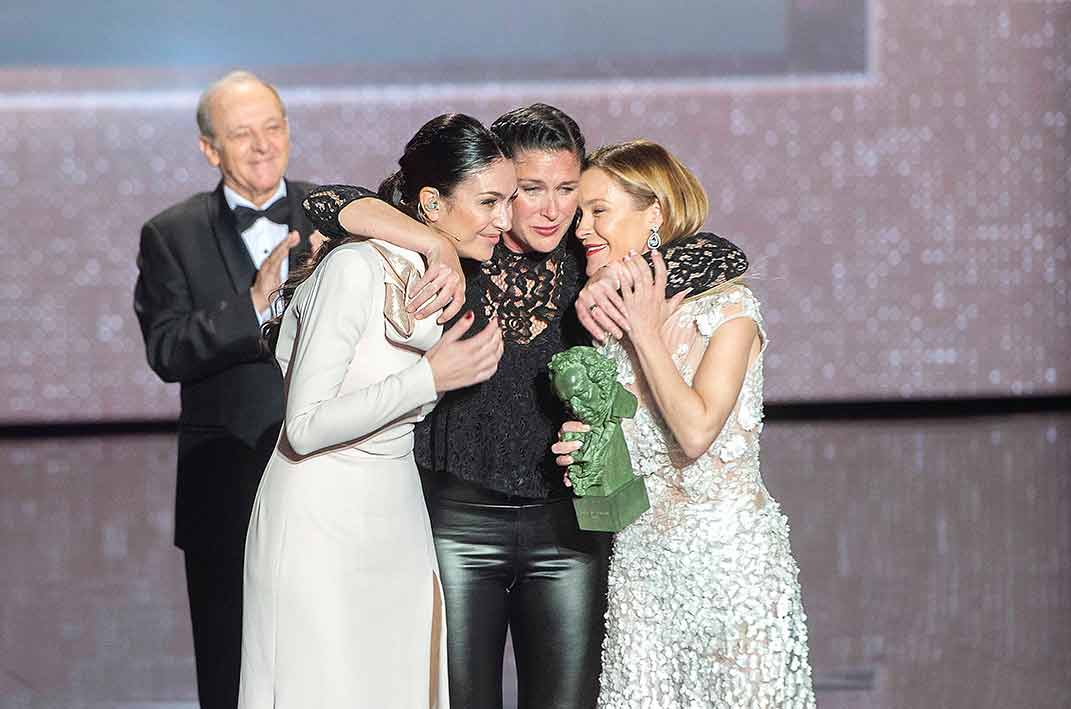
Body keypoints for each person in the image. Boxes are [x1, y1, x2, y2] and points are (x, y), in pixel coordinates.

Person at [336, 104, 750, 708]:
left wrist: (611, 286)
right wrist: (433, 244)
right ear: (501, 189)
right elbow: (328, 202)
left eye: (568, 190)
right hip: (456, 522)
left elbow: (723, 254)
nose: (554, 210)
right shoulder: (462, 247)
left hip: (569, 532)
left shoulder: (592, 259)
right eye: (530, 191)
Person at [133, 71, 464, 709]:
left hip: (337, 478)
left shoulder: (339, 216)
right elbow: (165, 350)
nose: (262, 146)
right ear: (210, 149)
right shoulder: (169, 233)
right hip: (228, 475)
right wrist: (252, 307)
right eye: (242, 134)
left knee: (339, 665)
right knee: (236, 668)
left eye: (273, 128)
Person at [238, 113, 512, 708]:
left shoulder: (442, 278)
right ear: (432, 204)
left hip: (395, 510)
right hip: (319, 517)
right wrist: (429, 376)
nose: (505, 220)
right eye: (490, 201)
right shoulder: (354, 267)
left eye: (509, 201)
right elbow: (305, 426)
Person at [552, 140, 815, 707]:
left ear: (656, 216)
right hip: (641, 574)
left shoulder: (730, 313)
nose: (582, 229)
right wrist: (590, 447)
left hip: (729, 570)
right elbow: (636, 443)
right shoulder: (608, 327)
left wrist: (645, 333)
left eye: (599, 211)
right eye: (580, 215)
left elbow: (696, 433)